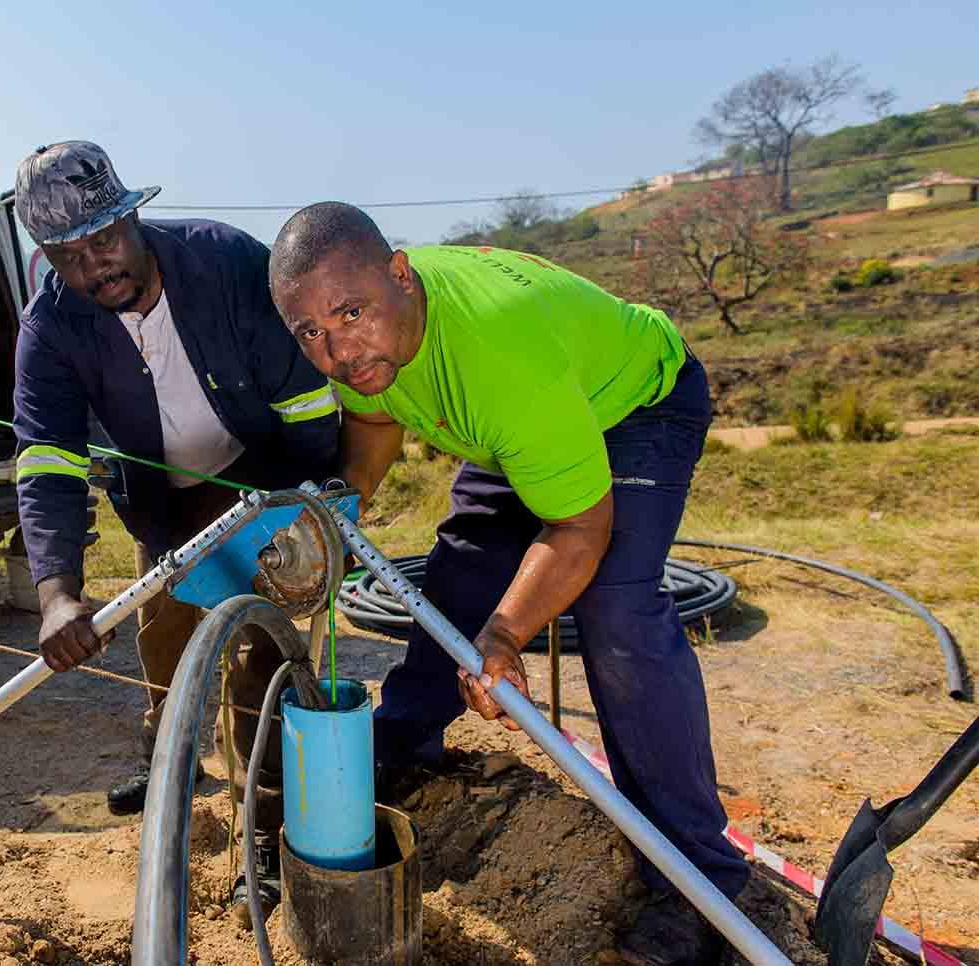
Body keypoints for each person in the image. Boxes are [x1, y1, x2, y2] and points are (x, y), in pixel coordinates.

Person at [267, 202, 750, 965]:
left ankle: (700, 881)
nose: (336, 350)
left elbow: (578, 530)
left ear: (401, 276)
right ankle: (402, 743)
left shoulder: (498, 357)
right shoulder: (366, 341)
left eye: (350, 315)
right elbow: (372, 425)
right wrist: (340, 506)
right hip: (521, 424)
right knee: (462, 567)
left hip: (633, 403)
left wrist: (504, 635)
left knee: (617, 611)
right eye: (310, 333)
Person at [11, 142, 338, 923]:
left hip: (265, 488)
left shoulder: (224, 264)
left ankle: (262, 828)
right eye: (68, 255)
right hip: (162, 509)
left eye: (104, 240)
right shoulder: (51, 326)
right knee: (166, 647)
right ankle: (172, 767)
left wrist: (307, 512)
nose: (95, 266)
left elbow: (305, 405)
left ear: (132, 217)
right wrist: (57, 594)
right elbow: (46, 462)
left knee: (260, 659)